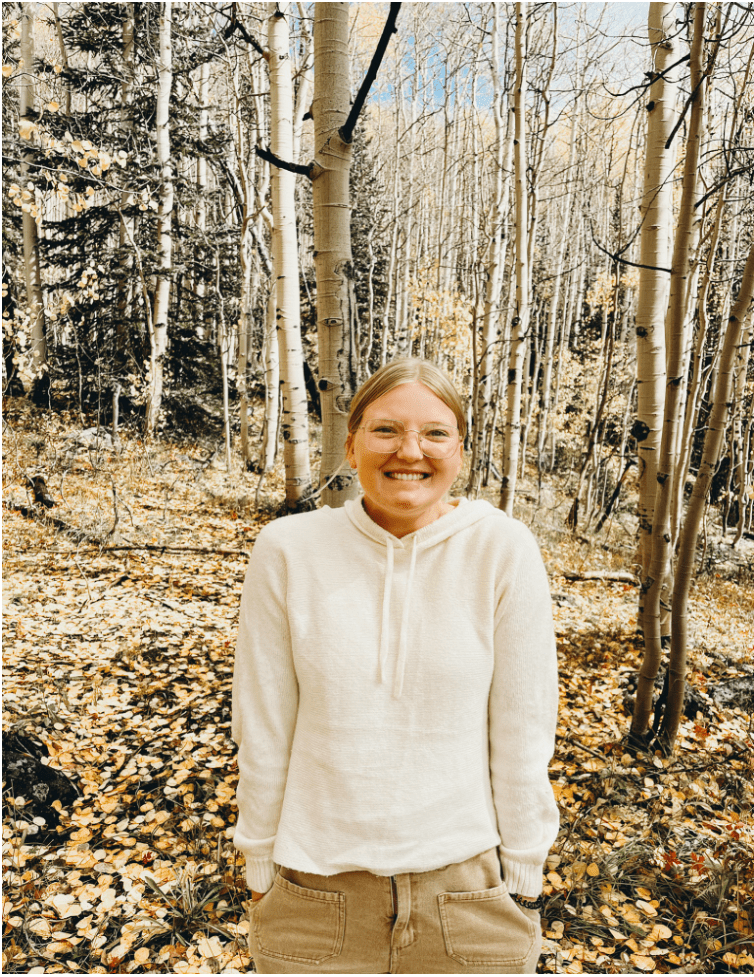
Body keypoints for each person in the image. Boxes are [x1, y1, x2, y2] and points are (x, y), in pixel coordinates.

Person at [232, 357, 559, 974]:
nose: (410, 450)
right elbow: (264, 721)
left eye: (435, 433)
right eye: (385, 430)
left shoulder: (502, 549)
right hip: (314, 896)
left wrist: (524, 872)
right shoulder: (289, 550)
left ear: (460, 451)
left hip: (467, 897)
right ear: (350, 445)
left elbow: (525, 724)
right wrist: (258, 861)